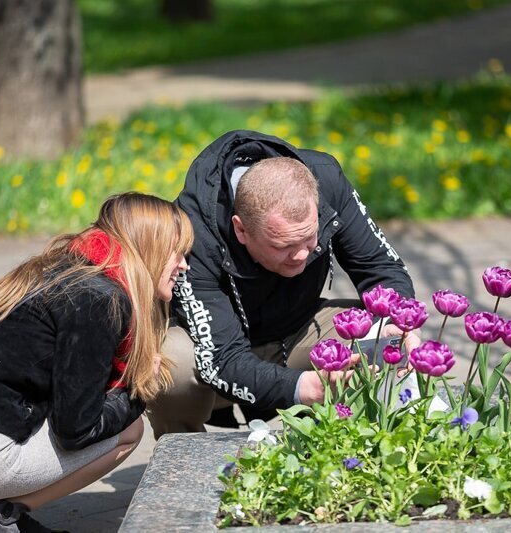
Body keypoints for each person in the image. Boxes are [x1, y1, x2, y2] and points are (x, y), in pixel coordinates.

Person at [0, 192, 193, 532]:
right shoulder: (100, 299)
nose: (184, 264)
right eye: (178, 252)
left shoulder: (56, 268)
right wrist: (137, 392)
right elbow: (77, 430)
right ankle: (0, 517)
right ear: (151, 248)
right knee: (131, 430)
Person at [145, 130, 419, 438]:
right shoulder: (192, 230)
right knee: (172, 361)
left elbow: (380, 266)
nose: (302, 255)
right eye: (283, 245)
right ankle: (182, 463)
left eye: (310, 238)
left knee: (382, 336)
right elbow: (223, 359)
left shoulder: (325, 180)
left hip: (299, 328)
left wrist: (398, 322)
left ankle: (347, 449)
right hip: (215, 351)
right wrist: (304, 388)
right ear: (241, 229)